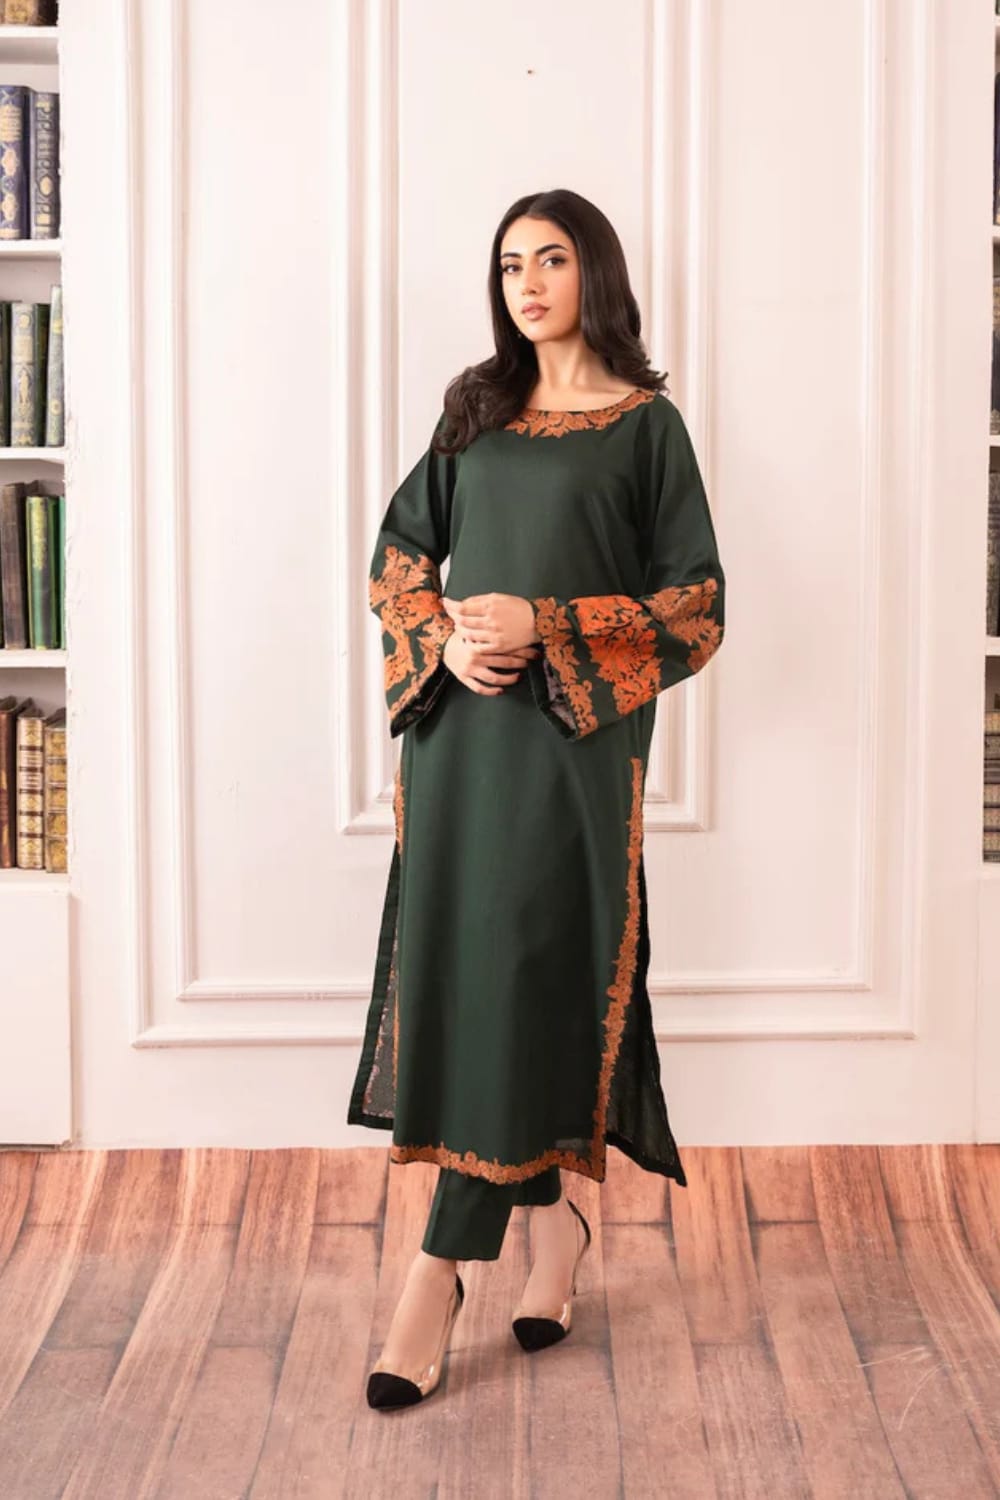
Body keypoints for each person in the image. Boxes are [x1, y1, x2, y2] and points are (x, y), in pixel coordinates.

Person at [347, 187, 726, 1410]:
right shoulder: (475, 416)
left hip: (571, 757)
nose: (527, 281)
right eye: (509, 262)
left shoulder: (645, 430)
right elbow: (399, 561)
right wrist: (448, 644)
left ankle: (437, 1270)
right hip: (457, 750)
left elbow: (695, 607)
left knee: (534, 969)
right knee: (469, 976)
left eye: (551, 258)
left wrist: (544, 624)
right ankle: (551, 1229)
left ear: (593, 272)